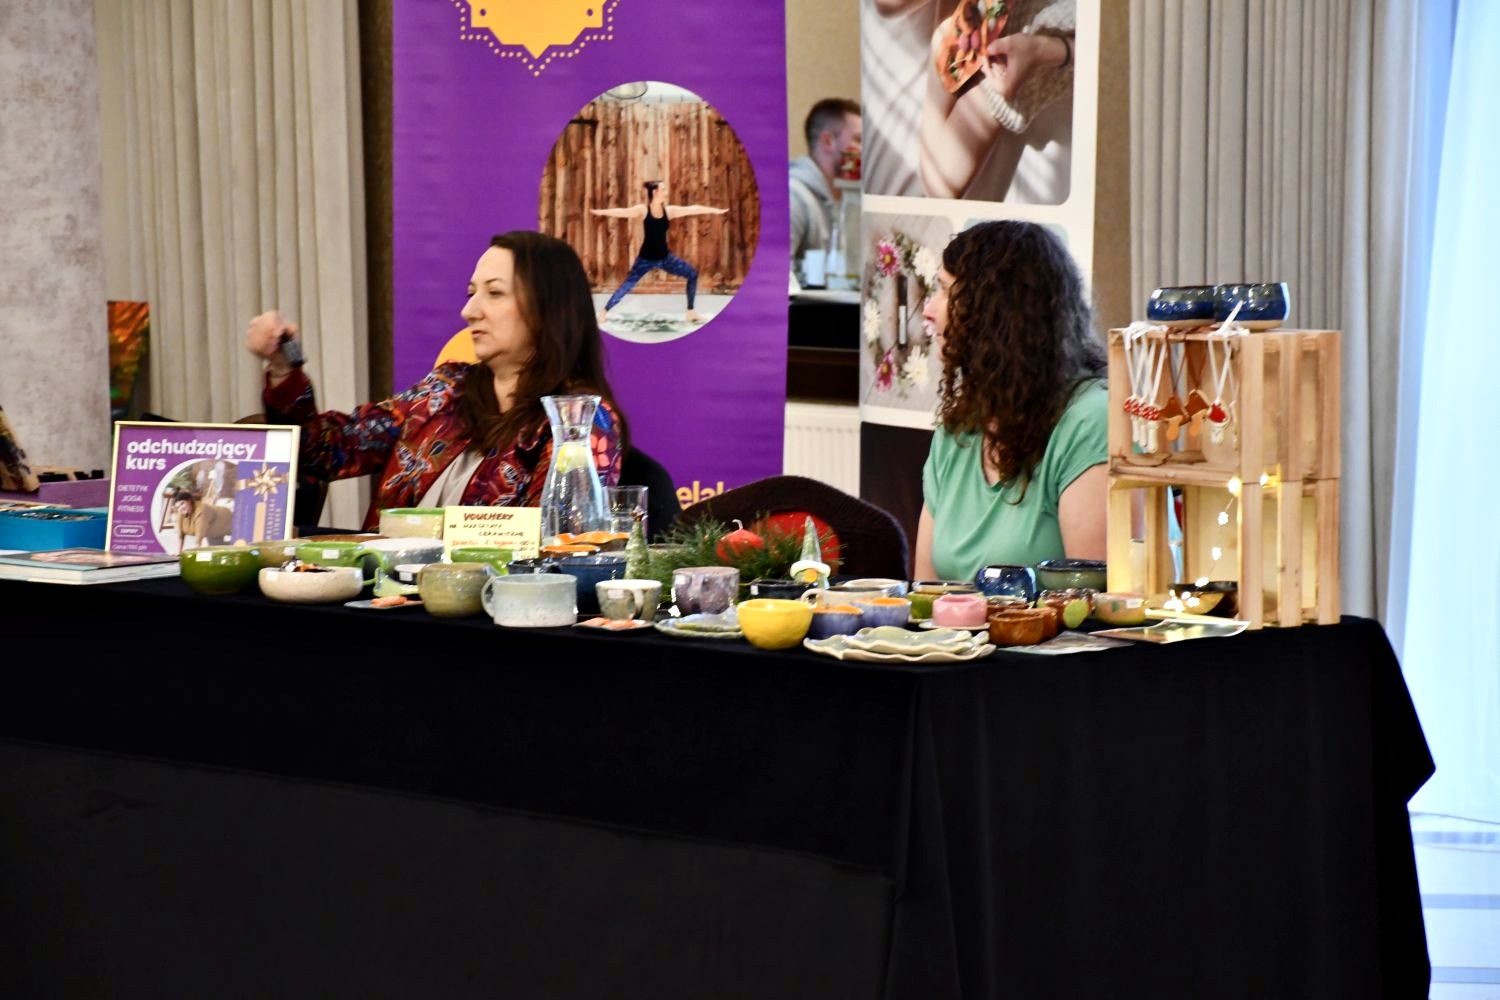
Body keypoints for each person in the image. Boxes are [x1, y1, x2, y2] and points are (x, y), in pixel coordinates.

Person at [246, 231, 626, 530]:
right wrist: (283, 369)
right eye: (471, 293)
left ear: (549, 308)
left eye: (494, 293)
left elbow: (558, 545)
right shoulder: (445, 390)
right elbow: (322, 451)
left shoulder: (579, 420)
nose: (469, 311)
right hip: (383, 596)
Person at [913, 220, 1107, 582]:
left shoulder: (1090, 422)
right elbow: (925, 594)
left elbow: (1093, 601)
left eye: (944, 290)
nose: (928, 309)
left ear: (996, 312)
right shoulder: (959, 430)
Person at [920, 0, 1075, 203]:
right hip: (999, 29)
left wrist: (1044, 49)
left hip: (1026, 42)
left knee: (940, 182)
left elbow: (940, 186)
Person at [591, 179, 728, 326]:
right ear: (655, 192)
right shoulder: (643, 210)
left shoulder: (669, 211)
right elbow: (622, 212)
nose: (665, 192)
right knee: (627, 285)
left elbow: (692, 209)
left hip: (665, 258)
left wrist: (715, 211)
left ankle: (691, 312)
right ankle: (603, 312)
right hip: (645, 259)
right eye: (663, 189)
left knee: (692, 274)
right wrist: (601, 212)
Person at [789, 97, 862, 264]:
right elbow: (777, 271)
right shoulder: (793, 197)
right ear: (828, 141)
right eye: (859, 140)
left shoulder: (850, 200)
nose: (864, 150)